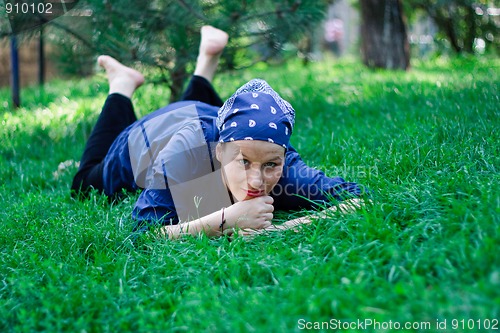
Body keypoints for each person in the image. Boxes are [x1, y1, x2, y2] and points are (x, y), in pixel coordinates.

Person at [71, 26, 364, 239]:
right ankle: (122, 83)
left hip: (205, 112)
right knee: (85, 182)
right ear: (220, 151)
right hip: (153, 135)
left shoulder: (289, 172)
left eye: (271, 164)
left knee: (208, 166)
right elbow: (142, 235)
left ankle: (206, 62)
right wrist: (227, 220)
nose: (256, 181)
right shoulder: (183, 154)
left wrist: (278, 230)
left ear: (284, 157)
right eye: (244, 162)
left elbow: (360, 199)